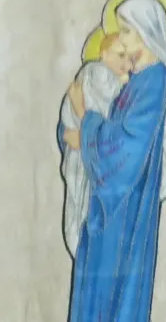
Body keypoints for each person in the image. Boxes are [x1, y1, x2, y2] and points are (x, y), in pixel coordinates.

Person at [61, 0, 166, 322]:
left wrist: (83, 117)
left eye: (127, 30)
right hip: (108, 205)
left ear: (145, 30)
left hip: (124, 208)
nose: (122, 38)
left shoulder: (154, 79)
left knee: (111, 296)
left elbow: (128, 146)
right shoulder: (135, 80)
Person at [58, 32, 132, 258]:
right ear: (104, 54)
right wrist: (122, 83)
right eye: (120, 55)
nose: (126, 63)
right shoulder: (96, 72)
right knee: (81, 203)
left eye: (129, 58)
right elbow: (104, 104)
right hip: (84, 155)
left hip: (90, 149)